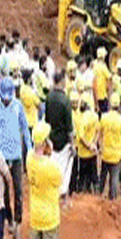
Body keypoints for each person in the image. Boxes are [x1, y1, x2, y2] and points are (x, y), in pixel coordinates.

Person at [0, 77, 32, 239]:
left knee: (18, 190)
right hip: (2, 155)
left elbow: (24, 127)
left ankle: (18, 223)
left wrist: (29, 148)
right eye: (5, 96)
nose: (7, 99)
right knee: (5, 192)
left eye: (9, 96)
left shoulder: (18, 106)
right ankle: (8, 219)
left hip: (16, 155)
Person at [26, 121, 62, 239]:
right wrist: (53, 155)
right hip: (49, 217)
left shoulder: (29, 158)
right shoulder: (49, 166)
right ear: (45, 143)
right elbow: (59, 181)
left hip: (35, 215)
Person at [45, 69, 75, 200]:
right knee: (65, 171)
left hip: (51, 138)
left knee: (53, 167)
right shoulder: (65, 100)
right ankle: (63, 196)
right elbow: (69, 127)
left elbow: (46, 120)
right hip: (63, 141)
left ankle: (53, 193)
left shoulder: (49, 97)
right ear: (62, 81)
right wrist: (73, 144)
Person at [99, 94, 121, 201]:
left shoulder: (104, 117)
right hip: (117, 154)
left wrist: (101, 147)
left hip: (106, 153)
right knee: (114, 180)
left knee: (103, 176)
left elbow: (100, 133)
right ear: (119, 105)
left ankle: (98, 195)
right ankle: (113, 199)